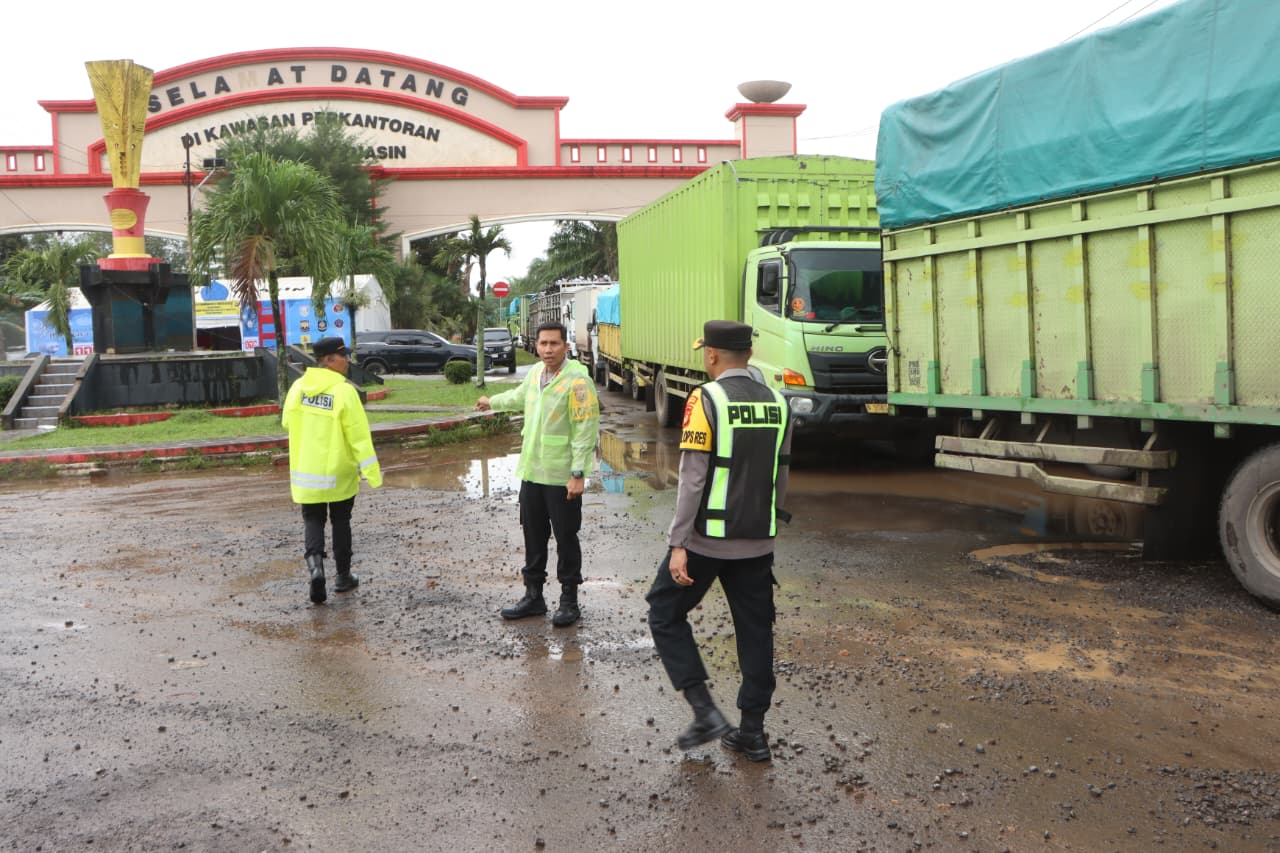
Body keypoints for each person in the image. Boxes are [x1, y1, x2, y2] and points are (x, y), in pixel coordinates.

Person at [646, 320, 793, 762]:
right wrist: (769, 526)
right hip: (757, 541)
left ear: (711, 355)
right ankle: (753, 732)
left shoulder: (705, 399)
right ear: (747, 354)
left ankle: (705, 710)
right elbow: (780, 473)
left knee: (664, 611)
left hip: (706, 541)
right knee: (755, 632)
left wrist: (677, 543)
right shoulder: (779, 402)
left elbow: (692, 480)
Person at [476, 322, 600, 626]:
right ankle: (534, 596)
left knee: (566, 537)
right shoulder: (535, 373)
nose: (547, 349)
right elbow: (519, 396)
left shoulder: (578, 382)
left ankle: (569, 600)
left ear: (565, 347)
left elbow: (585, 431)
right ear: (537, 346)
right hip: (532, 472)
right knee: (533, 535)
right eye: (543, 344)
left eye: (554, 344)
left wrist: (578, 474)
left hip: (561, 477)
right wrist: (492, 402)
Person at [282, 336, 383, 605]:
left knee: (312, 520)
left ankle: (316, 569)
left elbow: (286, 423)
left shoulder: (297, 388)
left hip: (307, 471)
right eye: (343, 356)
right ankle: (343, 576)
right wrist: (372, 474)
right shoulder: (344, 392)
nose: (347, 360)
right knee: (341, 521)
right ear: (328, 359)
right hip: (338, 471)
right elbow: (359, 437)